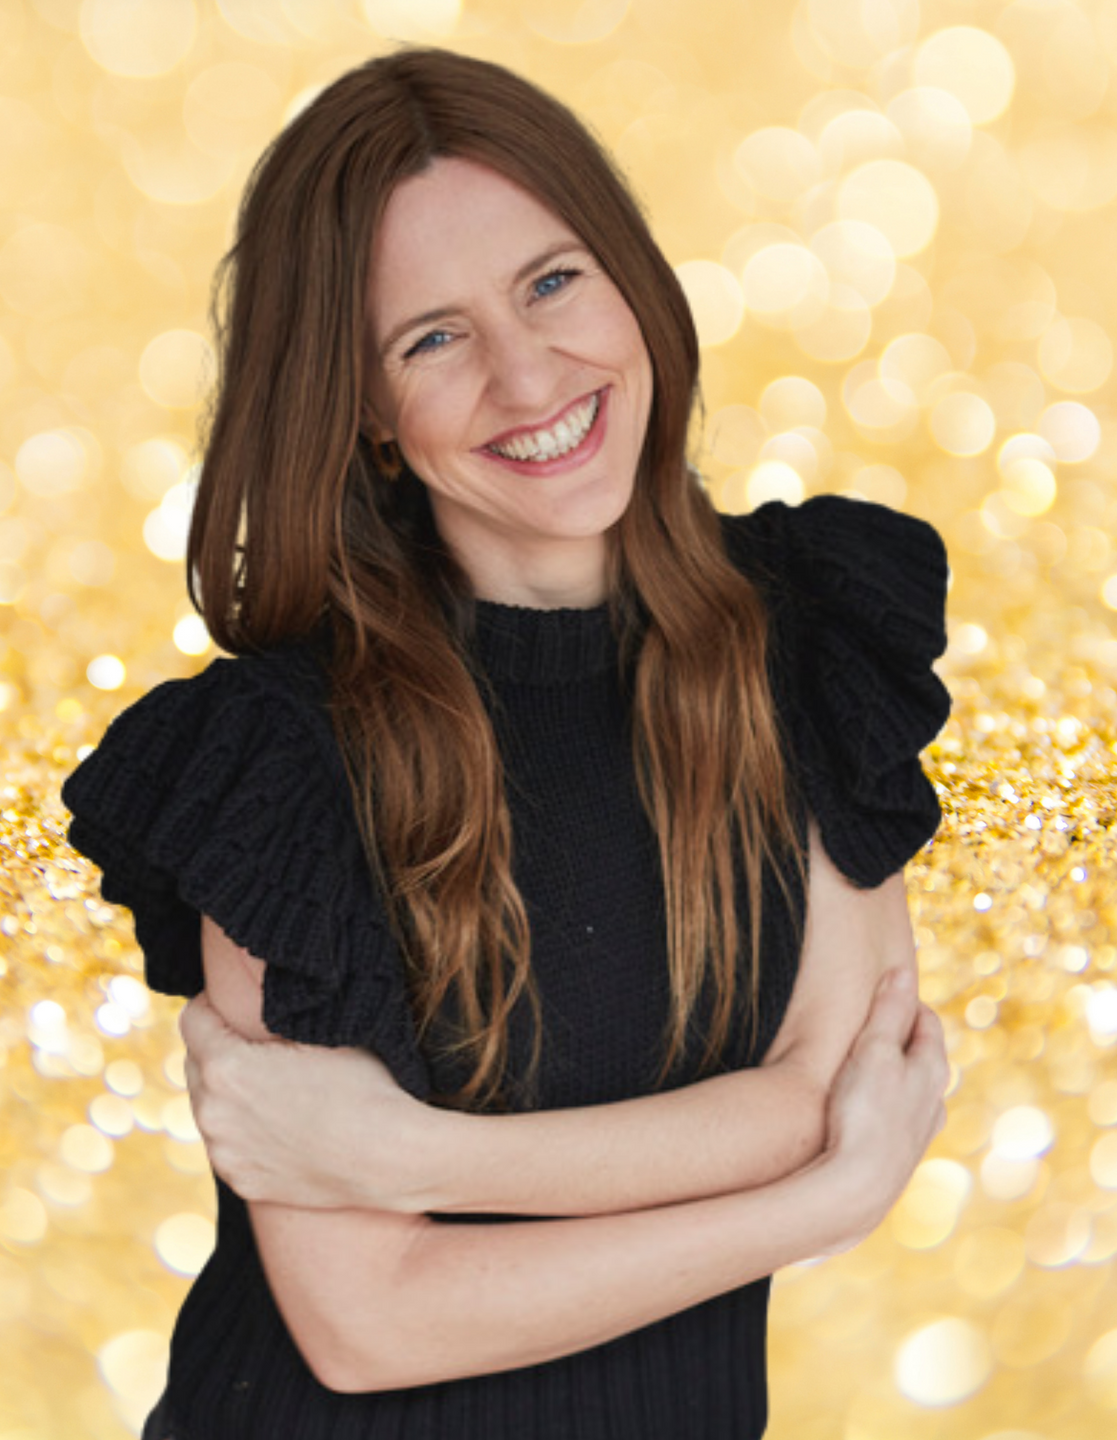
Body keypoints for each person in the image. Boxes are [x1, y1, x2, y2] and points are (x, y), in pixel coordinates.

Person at [60, 45, 953, 1440]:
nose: (529, 374)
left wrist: (415, 1156)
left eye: (551, 282)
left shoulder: (810, 635)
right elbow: (370, 1325)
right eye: (433, 339)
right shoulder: (279, 756)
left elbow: (826, 1092)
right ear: (365, 412)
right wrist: (826, 1201)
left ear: (631, 277)